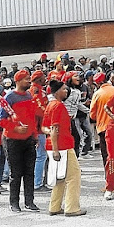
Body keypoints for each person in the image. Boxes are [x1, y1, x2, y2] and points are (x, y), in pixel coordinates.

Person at [0, 70, 40, 213]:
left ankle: (29, 201)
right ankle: (14, 203)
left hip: (28, 139)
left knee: (30, 172)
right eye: (27, 79)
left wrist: (34, 135)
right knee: (15, 174)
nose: (29, 81)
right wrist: (15, 128)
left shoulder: (29, 95)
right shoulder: (10, 97)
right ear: (18, 80)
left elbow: (32, 117)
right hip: (12, 140)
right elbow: (1, 120)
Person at [43, 80, 86, 216]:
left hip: (53, 145)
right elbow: (54, 128)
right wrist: (56, 148)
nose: (66, 91)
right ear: (57, 91)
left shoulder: (50, 105)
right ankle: (72, 208)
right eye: (64, 89)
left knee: (59, 177)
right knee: (74, 176)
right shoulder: (58, 106)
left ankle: (54, 207)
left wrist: (51, 136)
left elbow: (45, 127)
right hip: (62, 146)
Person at [90, 71, 114, 192]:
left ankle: (111, 183)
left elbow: (92, 114)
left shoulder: (97, 94)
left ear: (98, 83)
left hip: (104, 128)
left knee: (107, 156)